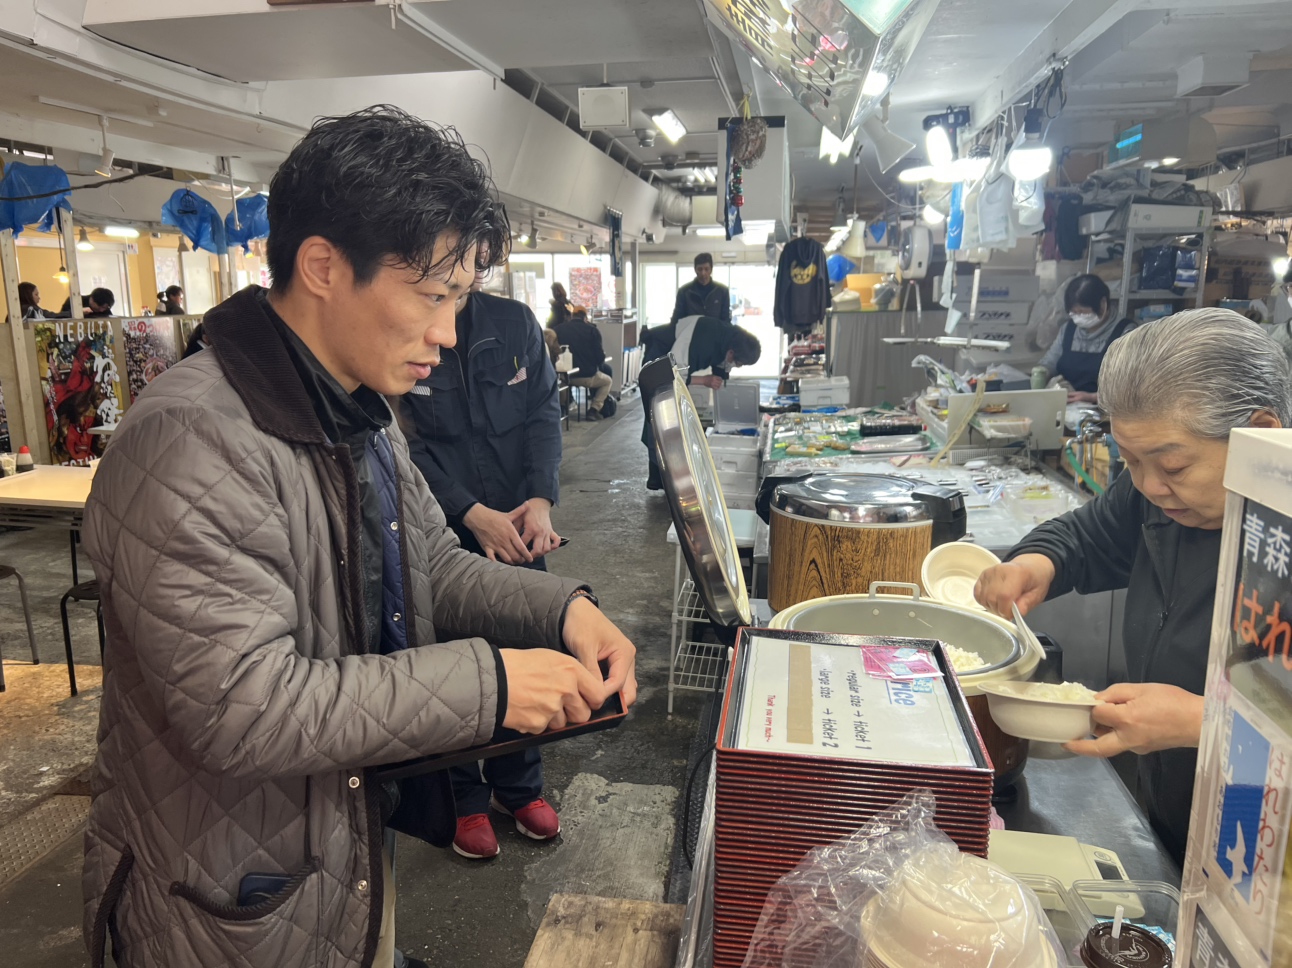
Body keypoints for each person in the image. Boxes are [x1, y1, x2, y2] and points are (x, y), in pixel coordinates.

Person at [80, 105, 637, 968]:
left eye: (459, 299)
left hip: (329, 857)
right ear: (323, 267)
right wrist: (486, 684)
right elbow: (242, 707)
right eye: (431, 295)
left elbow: (434, 566)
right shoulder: (194, 439)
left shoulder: (360, 413)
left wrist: (558, 611)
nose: (448, 334)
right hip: (221, 903)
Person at [975, 309, 1291, 866]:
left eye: (1172, 465)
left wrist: (1202, 722)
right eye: (1129, 461)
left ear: (1260, 437)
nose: (1148, 485)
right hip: (1177, 814)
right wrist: (1035, 563)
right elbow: (1087, 534)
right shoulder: (1156, 495)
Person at [401, 273, 564, 860]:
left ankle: (519, 789)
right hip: (442, 527)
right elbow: (404, 444)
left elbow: (544, 412)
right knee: (454, 659)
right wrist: (469, 512)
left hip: (519, 528)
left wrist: (540, 500)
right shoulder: (405, 323)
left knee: (525, 650)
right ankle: (465, 796)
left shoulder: (514, 323)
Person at [641, 315, 761, 490]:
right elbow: (673, 371)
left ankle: (670, 475)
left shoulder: (728, 338)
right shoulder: (704, 338)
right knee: (659, 418)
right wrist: (703, 380)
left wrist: (722, 382)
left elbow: (723, 366)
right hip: (658, 360)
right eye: (738, 363)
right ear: (732, 353)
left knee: (675, 419)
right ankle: (659, 477)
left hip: (673, 363)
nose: (736, 366)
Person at [1035, 275, 1135, 404]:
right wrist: (1041, 373)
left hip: (1104, 414)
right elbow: (1050, 362)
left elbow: (1130, 388)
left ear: (1103, 305)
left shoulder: (1125, 333)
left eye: (1082, 312)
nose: (1078, 317)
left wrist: (1093, 397)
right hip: (1067, 408)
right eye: (1073, 312)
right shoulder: (1068, 329)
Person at [552, 306, 613, 420]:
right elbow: (599, 358)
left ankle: (564, 406)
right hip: (587, 376)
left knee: (564, 382)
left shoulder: (558, 329)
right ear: (585, 317)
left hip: (564, 376)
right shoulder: (592, 330)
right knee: (607, 381)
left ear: (571, 316)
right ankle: (593, 409)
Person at [669, 252, 731, 325]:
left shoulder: (722, 291)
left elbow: (726, 320)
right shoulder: (684, 292)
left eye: (706, 269)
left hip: (715, 334)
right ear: (695, 270)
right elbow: (676, 319)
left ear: (711, 270)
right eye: (700, 269)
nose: (703, 273)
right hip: (691, 335)